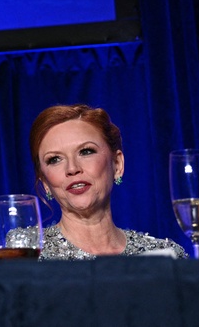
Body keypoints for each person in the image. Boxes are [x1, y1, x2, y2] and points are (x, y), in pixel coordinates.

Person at [29, 104, 188, 260]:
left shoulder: (165, 258)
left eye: (86, 151)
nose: (72, 168)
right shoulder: (27, 253)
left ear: (117, 164)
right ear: (45, 183)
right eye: (54, 159)